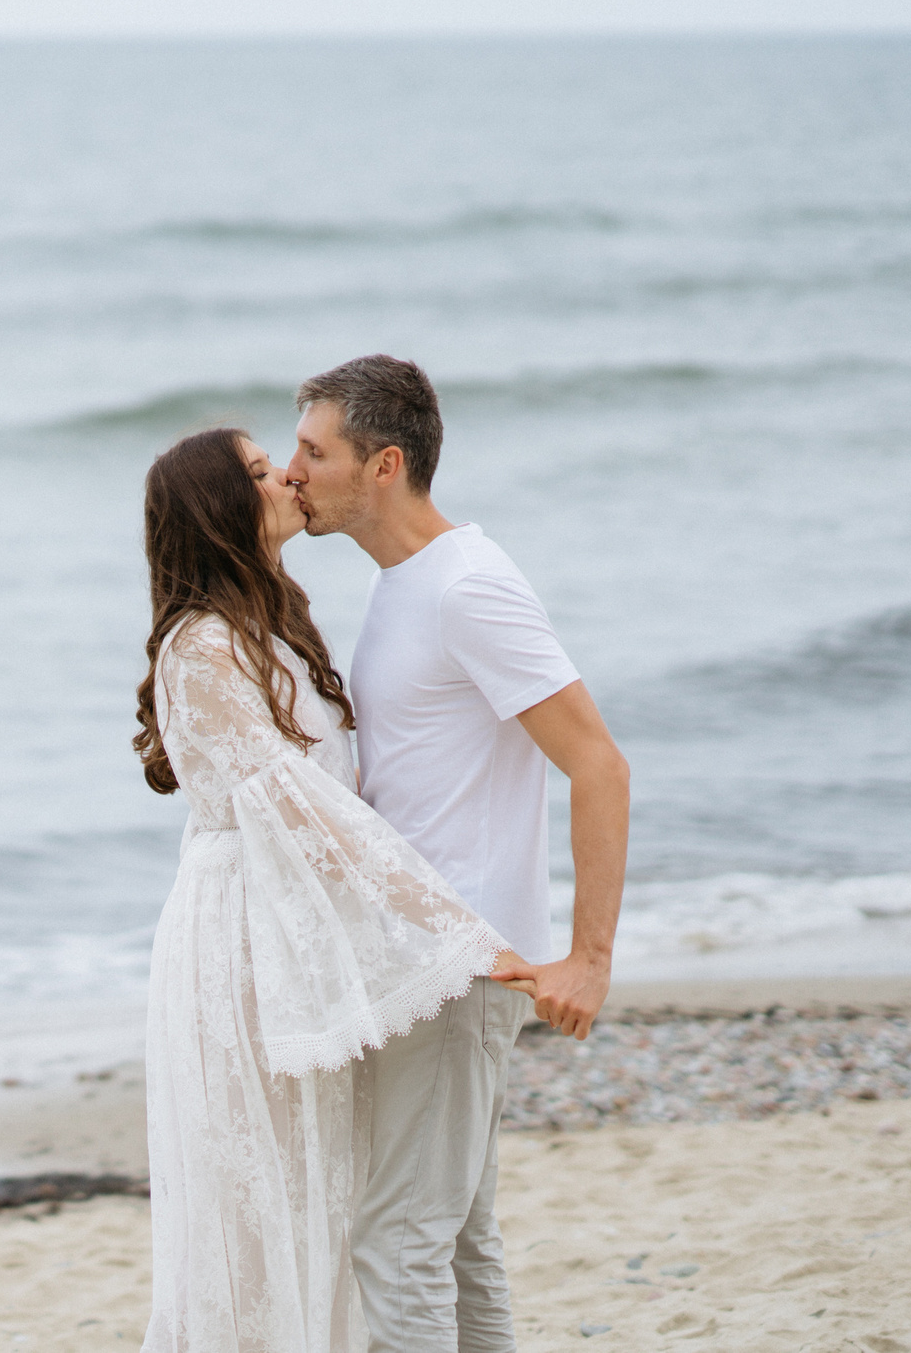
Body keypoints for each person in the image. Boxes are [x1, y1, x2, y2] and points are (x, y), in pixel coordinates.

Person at [134, 426, 536, 1353]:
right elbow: (305, 814)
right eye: (258, 470)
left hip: (299, 936)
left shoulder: (271, 629)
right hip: (240, 943)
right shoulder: (200, 648)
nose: (286, 474)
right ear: (218, 506)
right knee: (260, 1209)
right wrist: (457, 931)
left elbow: (341, 804)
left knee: (330, 1190)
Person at [287, 352, 631, 1352]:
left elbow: (599, 764)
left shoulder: (467, 586)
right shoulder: (405, 583)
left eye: (315, 452)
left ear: (383, 465)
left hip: (458, 963)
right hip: (424, 958)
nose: (293, 472)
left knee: (397, 1243)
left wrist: (588, 960)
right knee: (458, 1239)